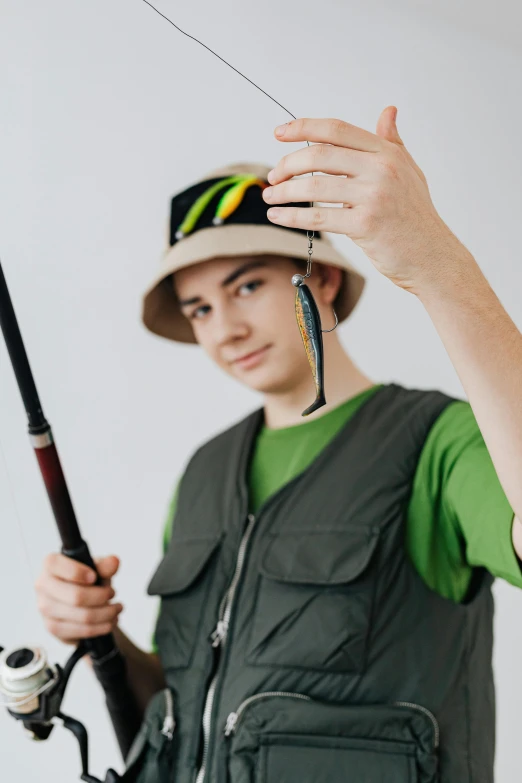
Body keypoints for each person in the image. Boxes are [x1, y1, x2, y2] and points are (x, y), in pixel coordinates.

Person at [34, 112, 522, 783]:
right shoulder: (204, 473)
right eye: (200, 306)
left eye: (248, 285)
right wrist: (101, 637)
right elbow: (193, 721)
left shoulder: (439, 440)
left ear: (321, 277)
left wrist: (437, 264)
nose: (226, 328)